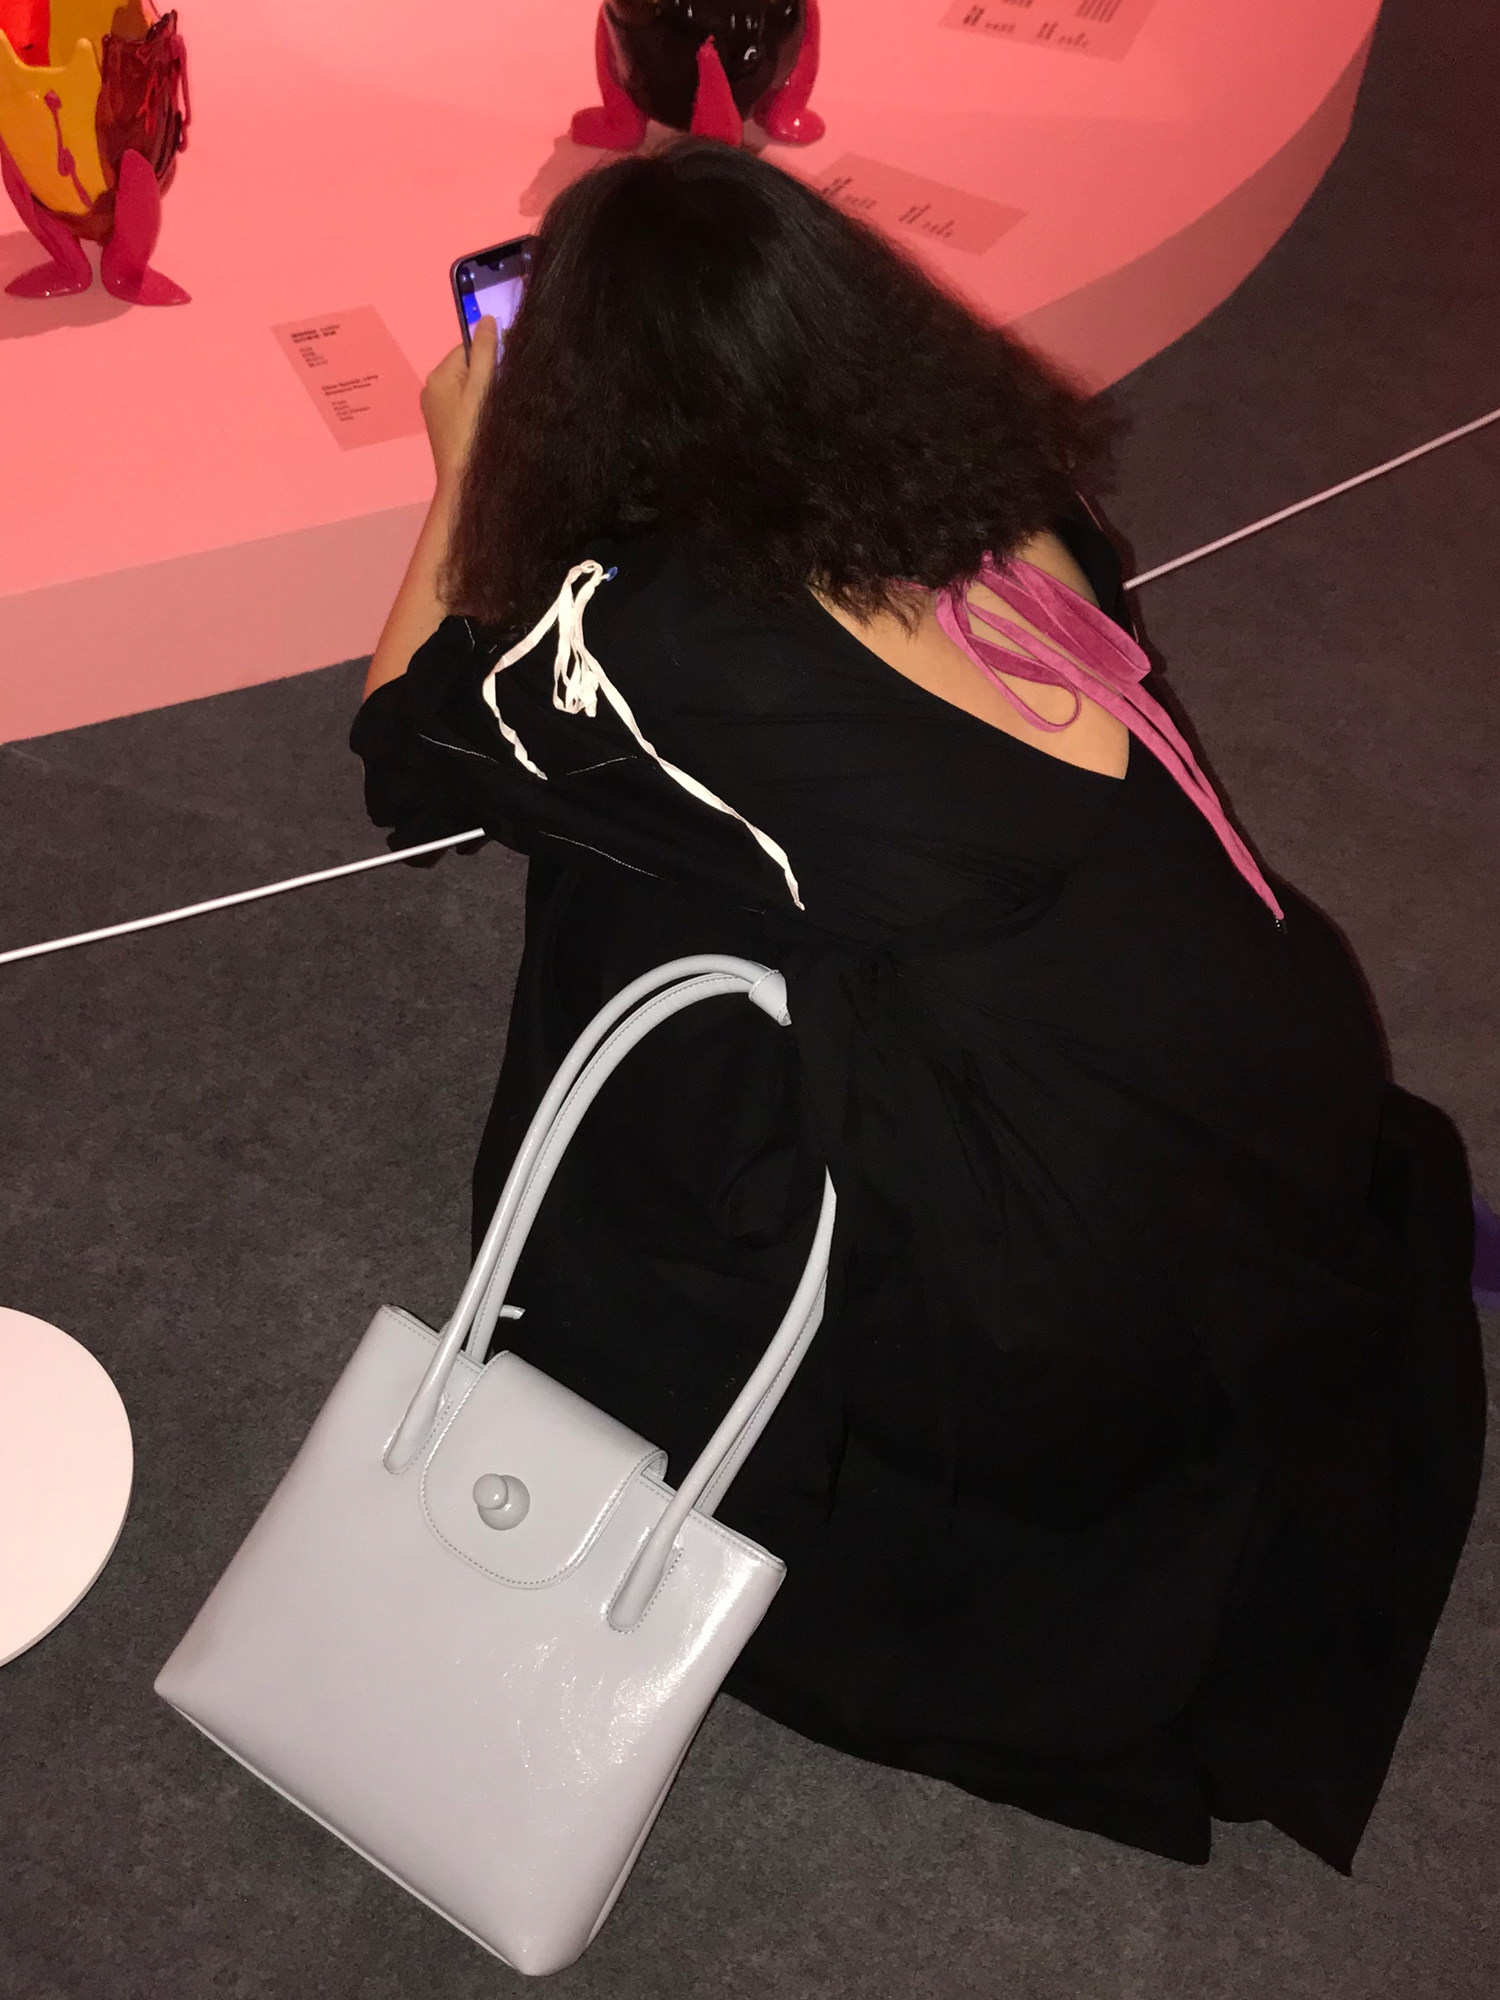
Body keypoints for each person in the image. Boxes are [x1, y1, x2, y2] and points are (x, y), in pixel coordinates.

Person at [350, 138, 1485, 1873]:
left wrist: (463, 466)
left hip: (1064, 1240)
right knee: (694, 835)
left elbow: (407, 757)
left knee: (612, 854)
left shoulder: (658, 637)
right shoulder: (998, 488)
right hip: (1266, 1068)